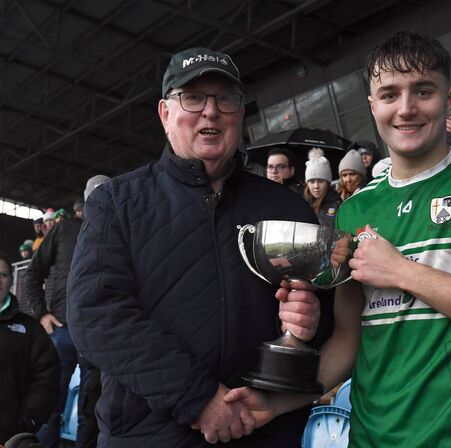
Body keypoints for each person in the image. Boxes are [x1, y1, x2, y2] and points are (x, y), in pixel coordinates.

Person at [225, 31, 451, 447]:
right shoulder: (356, 210)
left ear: (448, 100)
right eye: (390, 94)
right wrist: (276, 403)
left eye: (423, 91)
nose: (406, 109)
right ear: (373, 105)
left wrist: (401, 271)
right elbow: (347, 340)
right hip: (371, 438)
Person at [66, 46, 330, 447]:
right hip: (149, 435)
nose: (211, 111)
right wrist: (199, 398)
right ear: (164, 113)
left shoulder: (286, 207)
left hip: (264, 431)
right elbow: (95, 315)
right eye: (192, 98)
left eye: (226, 99)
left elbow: (327, 321)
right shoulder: (117, 202)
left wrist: (310, 321)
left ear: (240, 114)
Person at [22, 175, 109, 448]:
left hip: (100, 335)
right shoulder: (65, 229)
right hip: (63, 330)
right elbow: (33, 272)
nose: (100, 200)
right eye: (94, 195)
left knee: (91, 409)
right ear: (82, 204)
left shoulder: (120, 231)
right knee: (49, 405)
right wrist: (41, 313)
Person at [0, 251, 60, 445]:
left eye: (3, 274)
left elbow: (47, 376)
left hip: (9, 436)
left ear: (11, 281)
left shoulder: (30, 329)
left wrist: (27, 420)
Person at [303, 149, 341, 231]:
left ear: (327, 183)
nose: (316, 186)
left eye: (320, 181)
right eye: (312, 182)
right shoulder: (303, 204)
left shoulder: (337, 205)